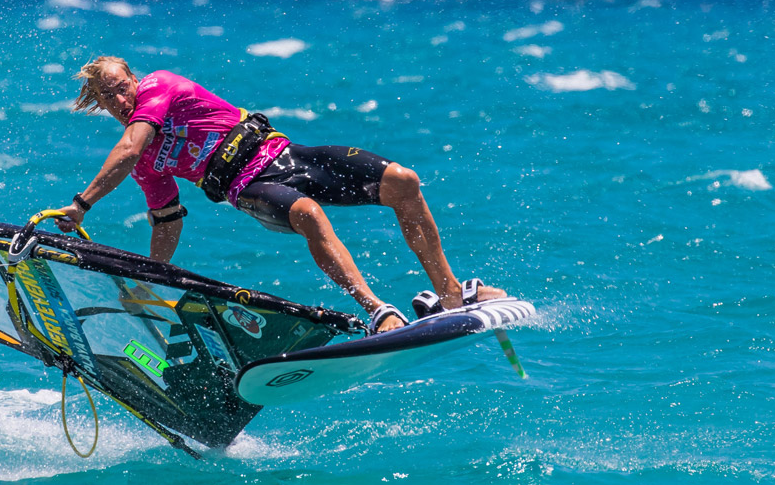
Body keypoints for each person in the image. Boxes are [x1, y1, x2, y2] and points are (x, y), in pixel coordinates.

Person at [53, 56, 505, 334]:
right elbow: (167, 218)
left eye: (119, 86)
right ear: (98, 104)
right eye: (106, 97)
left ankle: (448, 295)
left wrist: (82, 205)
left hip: (288, 155)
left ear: (134, 78)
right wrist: (154, 278)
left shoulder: (160, 87)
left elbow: (129, 147)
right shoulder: (146, 161)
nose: (118, 99)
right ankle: (376, 309)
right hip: (247, 187)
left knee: (403, 181)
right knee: (308, 213)